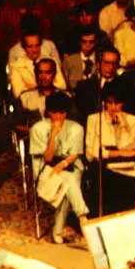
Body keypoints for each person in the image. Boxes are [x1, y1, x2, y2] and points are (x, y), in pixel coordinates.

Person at [29, 91, 89, 243]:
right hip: (46, 170)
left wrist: (62, 164)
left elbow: (75, 154)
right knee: (69, 183)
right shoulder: (38, 129)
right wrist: (53, 136)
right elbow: (48, 158)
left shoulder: (77, 128)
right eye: (54, 112)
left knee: (67, 182)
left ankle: (60, 230)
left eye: (62, 113)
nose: (58, 116)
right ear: (49, 112)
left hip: (70, 166)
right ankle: (83, 218)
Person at [85, 83, 135, 214]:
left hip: (126, 165)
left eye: (117, 103)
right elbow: (93, 152)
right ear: (104, 103)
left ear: (123, 103)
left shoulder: (132, 120)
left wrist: (122, 124)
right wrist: (120, 153)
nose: (113, 108)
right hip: (102, 165)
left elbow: (132, 147)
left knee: (132, 182)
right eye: (109, 103)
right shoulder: (94, 119)